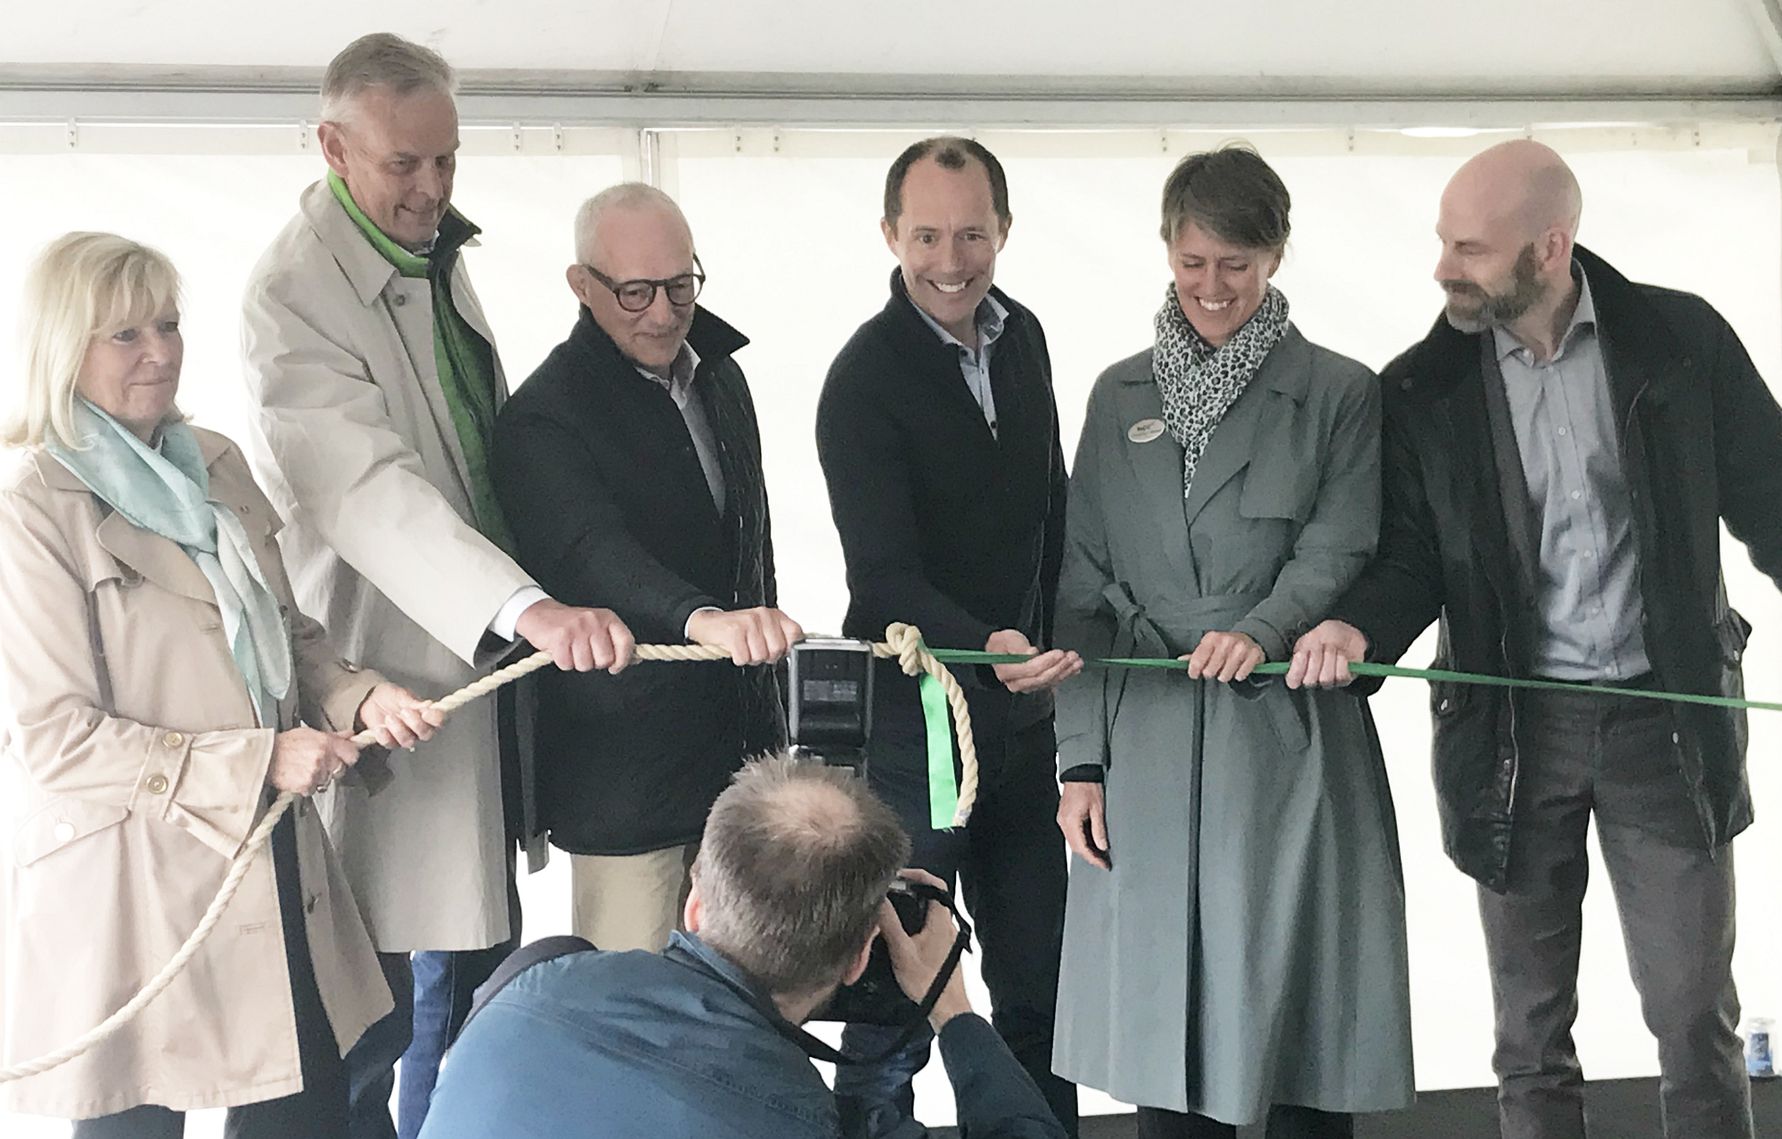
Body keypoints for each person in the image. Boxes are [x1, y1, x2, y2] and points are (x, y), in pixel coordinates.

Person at [1290, 140, 1782, 1139]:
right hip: (1511, 733)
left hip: (1669, 720)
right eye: (1443, 240)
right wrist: (1353, 623)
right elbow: (1412, 558)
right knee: (1529, 1036)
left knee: (1694, 1018)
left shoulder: (1682, 342)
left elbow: (1772, 498)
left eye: (1468, 248)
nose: (1442, 267)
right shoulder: (1422, 387)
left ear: (1549, 248)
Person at [239, 32, 635, 1139]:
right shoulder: (293, 294)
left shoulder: (426, 253)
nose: (430, 187)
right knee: (370, 1011)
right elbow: (367, 490)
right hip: (398, 681)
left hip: (477, 668)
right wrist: (526, 607)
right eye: (403, 164)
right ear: (331, 146)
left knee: (468, 973)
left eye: (447, 162)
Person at [0, 232, 443, 1136]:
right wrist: (257, 759)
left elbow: (289, 637)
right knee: (135, 1124)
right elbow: (53, 736)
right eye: (124, 334)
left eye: (166, 323)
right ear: (63, 346)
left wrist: (359, 695)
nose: (159, 350)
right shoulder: (28, 504)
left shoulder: (216, 461)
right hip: (133, 880)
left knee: (311, 1107)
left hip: (270, 848)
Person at [1049, 146, 1413, 1139]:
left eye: (1238, 265)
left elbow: (1344, 540)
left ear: (1278, 255)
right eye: (1194, 261)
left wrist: (1261, 631)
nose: (1213, 287)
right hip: (1146, 747)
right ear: (1168, 249)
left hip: (1286, 737)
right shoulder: (1116, 392)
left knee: (1303, 1034)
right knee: (1165, 1042)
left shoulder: (1340, 392)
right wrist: (1078, 758)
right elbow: (1079, 588)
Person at [815, 135, 1081, 1137]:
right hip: (915, 726)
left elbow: (1050, 511)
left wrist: (1049, 648)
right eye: (927, 233)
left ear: (1003, 230)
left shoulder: (1027, 339)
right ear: (891, 234)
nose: (951, 255)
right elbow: (881, 578)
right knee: (891, 989)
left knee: (1039, 982)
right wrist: (995, 644)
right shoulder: (860, 381)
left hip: (1020, 715)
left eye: (972, 232)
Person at [417, 756, 1066, 1139]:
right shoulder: (800, 1116)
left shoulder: (528, 983)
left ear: (695, 903)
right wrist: (951, 1011)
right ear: (860, 957)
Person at [493, 183, 798, 951]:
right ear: (581, 285)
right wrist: (707, 619)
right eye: (633, 292)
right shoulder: (545, 414)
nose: (662, 312)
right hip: (625, 785)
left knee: (740, 1012)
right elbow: (592, 552)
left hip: (739, 772)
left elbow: (750, 547)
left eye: (679, 286)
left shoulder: (721, 376)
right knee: (630, 1019)